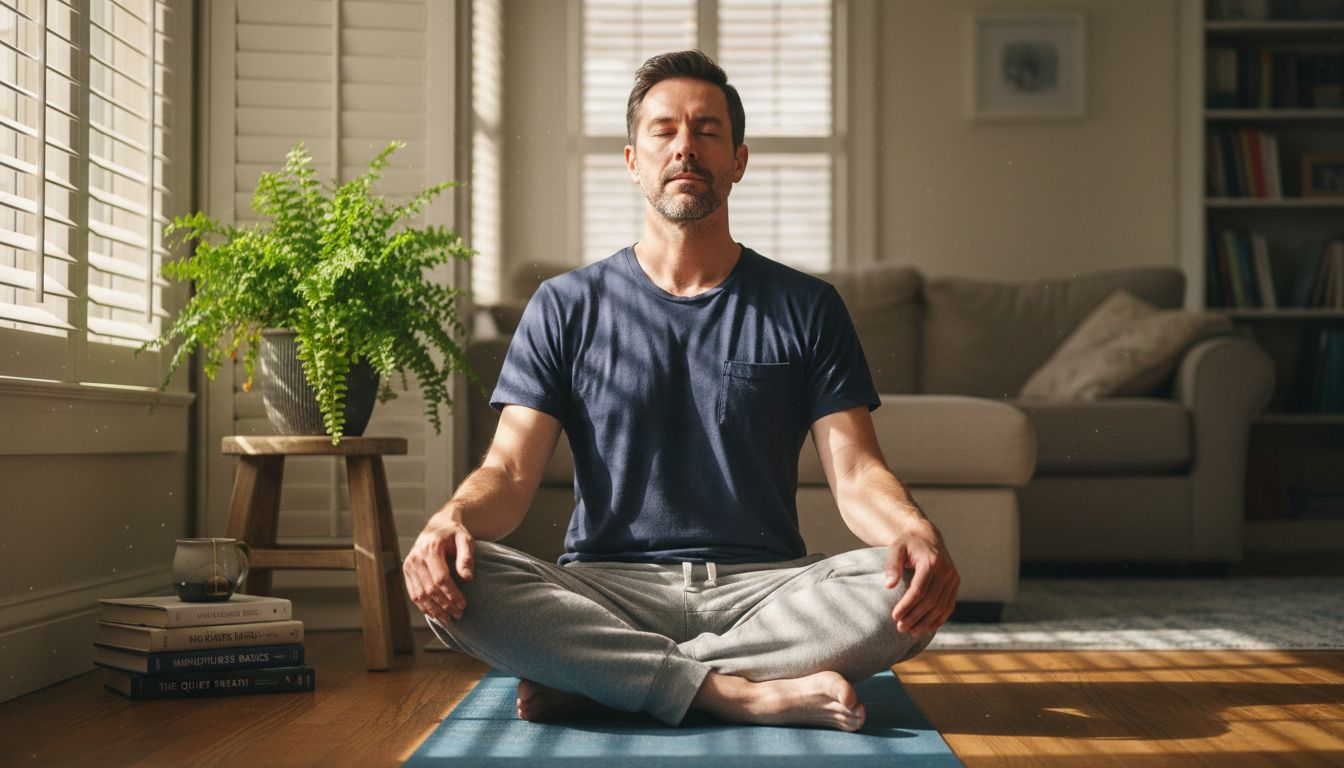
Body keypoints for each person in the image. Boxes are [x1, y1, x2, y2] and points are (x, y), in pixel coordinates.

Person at [403, 49, 959, 733]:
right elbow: (509, 471)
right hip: (608, 589)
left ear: (739, 160)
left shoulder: (807, 306)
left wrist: (915, 531)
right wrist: (448, 520)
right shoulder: (563, 306)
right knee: (454, 582)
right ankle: (735, 694)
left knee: (906, 588)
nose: (686, 147)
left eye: (708, 130)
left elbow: (856, 474)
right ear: (634, 159)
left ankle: (602, 679)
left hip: (765, 590)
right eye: (665, 130)